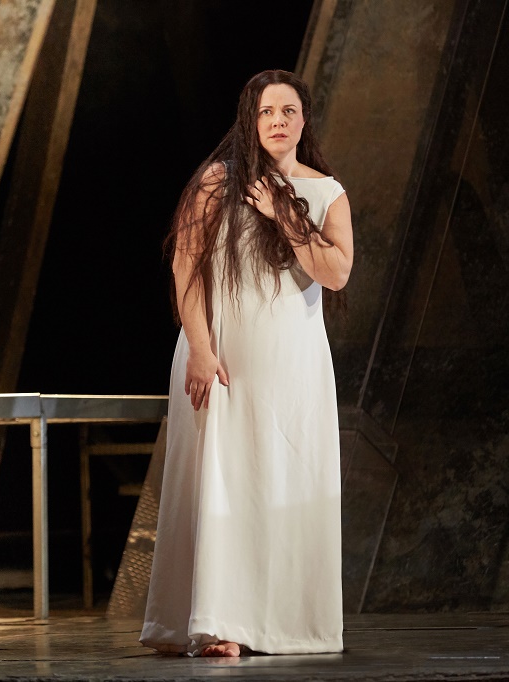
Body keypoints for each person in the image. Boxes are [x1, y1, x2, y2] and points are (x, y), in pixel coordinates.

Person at [140, 70, 353, 657]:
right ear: (249, 121)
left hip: (292, 362)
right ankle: (218, 621)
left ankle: (276, 620)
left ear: (304, 120)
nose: (278, 121)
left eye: (288, 111)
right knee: (223, 481)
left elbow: (336, 273)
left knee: (278, 480)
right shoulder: (218, 181)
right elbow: (186, 264)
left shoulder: (326, 192)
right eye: (266, 112)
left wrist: (285, 214)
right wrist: (200, 348)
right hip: (223, 355)